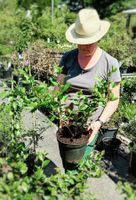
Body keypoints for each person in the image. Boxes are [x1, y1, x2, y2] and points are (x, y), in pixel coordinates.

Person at [58, 8, 121, 149]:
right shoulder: (68, 57)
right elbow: (58, 90)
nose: (84, 46)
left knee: (81, 162)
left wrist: (99, 122)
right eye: (80, 42)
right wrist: (61, 114)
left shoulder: (110, 63)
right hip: (66, 124)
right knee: (67, 162)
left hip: (89, 127)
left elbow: (113, 99)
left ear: (98, 38)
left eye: (89, 42)